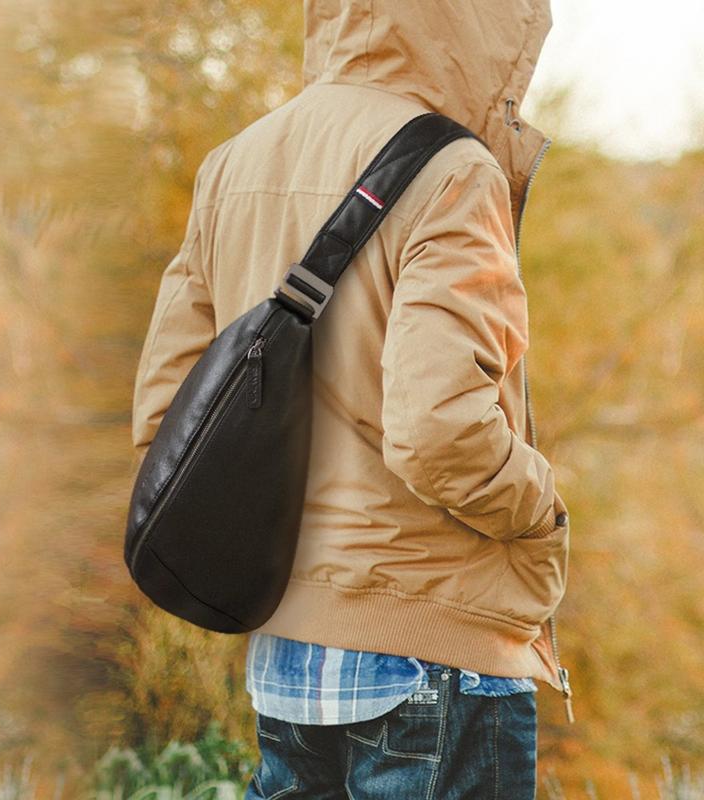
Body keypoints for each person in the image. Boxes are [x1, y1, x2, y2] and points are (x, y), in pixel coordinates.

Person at [130, 0, 573, 797]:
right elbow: (437, 433)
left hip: (285, 649)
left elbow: (169, 419)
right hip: (432, 643)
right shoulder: (455, 168)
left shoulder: (233, 164)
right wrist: (540, 508)